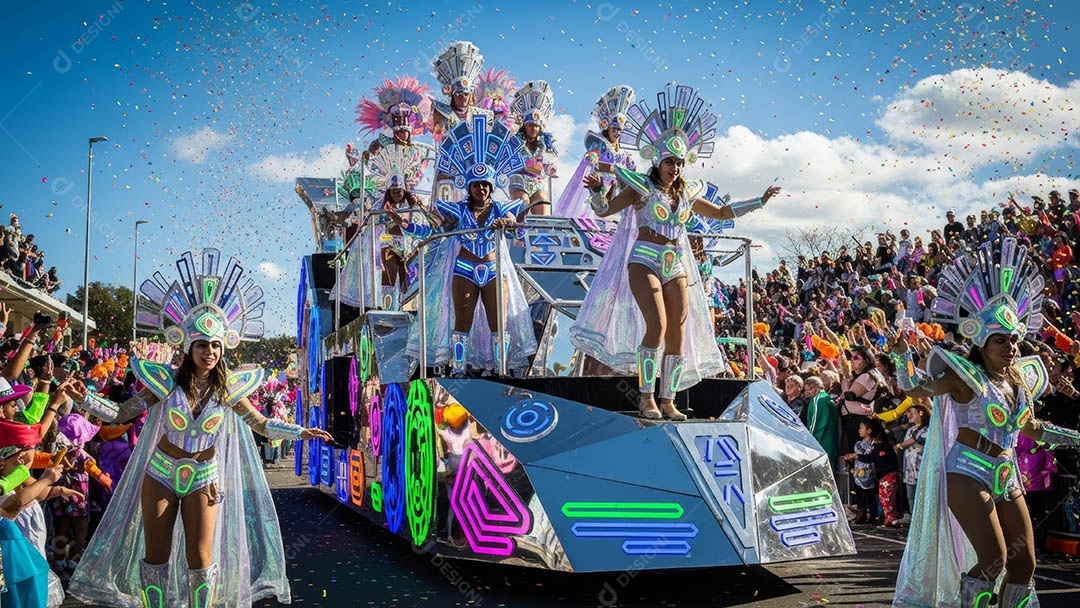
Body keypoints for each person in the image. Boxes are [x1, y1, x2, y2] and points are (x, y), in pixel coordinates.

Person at [69, 249, 333, 608]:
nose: (209, 351)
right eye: (202, 345)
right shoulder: (165, 384)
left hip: (204, 477)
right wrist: (83, 399)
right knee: (155, 560)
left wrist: (301, 432)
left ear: (222, 349)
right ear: (189, 347)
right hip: (161, 472)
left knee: (201, 562)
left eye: (215, 346)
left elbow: (261, 424)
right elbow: (119, 414)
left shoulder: (228, 391)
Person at [570, 83, 778, 420]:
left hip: (676, 263)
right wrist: (597, 192)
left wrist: (759, 201)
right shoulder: (641, 187)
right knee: (658, 326)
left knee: (679, 332)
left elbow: (723, 213)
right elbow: (605, 210)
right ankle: (646, 397)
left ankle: (669, 401)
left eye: (679, 163)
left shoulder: (688, 194)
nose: (674, 168)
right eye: (669, 161)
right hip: (644, 260)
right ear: (658, 160)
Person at [892, 236, 1080, 608]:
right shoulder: (963, 377)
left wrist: (1075, 436)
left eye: (1012, 340)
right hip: (968, 470)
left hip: (1006, 473)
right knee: (993, 560)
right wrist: (902, 357)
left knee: (1024, 563)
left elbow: (1032, 429)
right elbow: (914, 389)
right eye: (999, 341)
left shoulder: (1020, 381)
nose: (1009, 347)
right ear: (982, 343)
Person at [407, 114, 537, 376]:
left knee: (498, 323)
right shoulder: (457, 210)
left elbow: (513, 222)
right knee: (462, 322)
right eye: (476, 185)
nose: (482, 189)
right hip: (464, 268)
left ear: (490, 186)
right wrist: (415, 219)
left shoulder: (500, 207)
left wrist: (506, 223)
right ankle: (457, 370)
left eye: (485, 185)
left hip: (492, 269)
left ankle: (501, 369)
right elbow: (438, 229)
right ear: (470, 187)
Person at [554, 85, 638, 220]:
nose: (617, 133)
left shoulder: (624, 153)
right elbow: (591, 159)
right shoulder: (600, 144)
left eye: (619, 130)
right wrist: (592, 158)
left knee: (614, 221)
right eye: (614, 129)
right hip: (600, 186)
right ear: (606, 128)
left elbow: (631, 173)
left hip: (617, 190)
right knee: (595, 218)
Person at [508, 80, 558, 216]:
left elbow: (549, 164)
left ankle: (543, 235)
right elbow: (507, 161)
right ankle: (518, 236)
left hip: (536, 183)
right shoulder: (514, 141)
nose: (534, 128)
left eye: (536, 126)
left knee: (543, 203)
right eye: (530, 125)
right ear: (524, 125)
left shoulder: (545, 143)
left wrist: (550, 168)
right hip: (518, 181)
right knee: (522, 202)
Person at [802, 376, 839, 470]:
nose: (806, 392)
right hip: (830, 442)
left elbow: (814, 424)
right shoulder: (826, 397)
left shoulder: (817, 400)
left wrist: (809, 441)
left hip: (821, 442)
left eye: (809, 389)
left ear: (816, 387)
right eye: (805, 390)